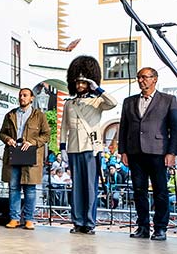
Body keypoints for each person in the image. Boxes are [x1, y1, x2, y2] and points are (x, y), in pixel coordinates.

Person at [60, 56, 117, 235]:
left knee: (90, 187)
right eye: (77, 82)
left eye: (83, 82)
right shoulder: (69, 103)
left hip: (91, 148)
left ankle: (90, 223)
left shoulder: (97, 101)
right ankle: (78, 221)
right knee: (76, 187)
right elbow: (63, 127)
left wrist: (97, 89)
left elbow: (113, 102)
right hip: (74, 148)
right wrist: (62, 148)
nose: (79, 85)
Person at [118, 67, 177, 240]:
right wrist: (123, 151)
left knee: (160, 191)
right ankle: (142, 227)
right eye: (139, 78)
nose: (141, 81)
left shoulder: (168, 100)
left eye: (145, 77)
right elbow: (123, 127)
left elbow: (174, 129)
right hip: (135, 152)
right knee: (138, 191)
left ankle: (160, 228)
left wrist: (172, 152)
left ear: (154, 79)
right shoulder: (129, 101)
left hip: (158, 152)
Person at [0, 87, 50, 231]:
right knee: (13, 188)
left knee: (30, 189)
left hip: (31, 155)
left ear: (31, 98)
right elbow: (2, 133)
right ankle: (14, 218)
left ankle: (29, 219)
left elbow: (46, 135)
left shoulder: (39, 116)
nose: (22, 97)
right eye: (20, 95)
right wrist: (8, 139)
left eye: (25, 95)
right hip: (13, 154)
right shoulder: (10, 115)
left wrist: (33, 142)